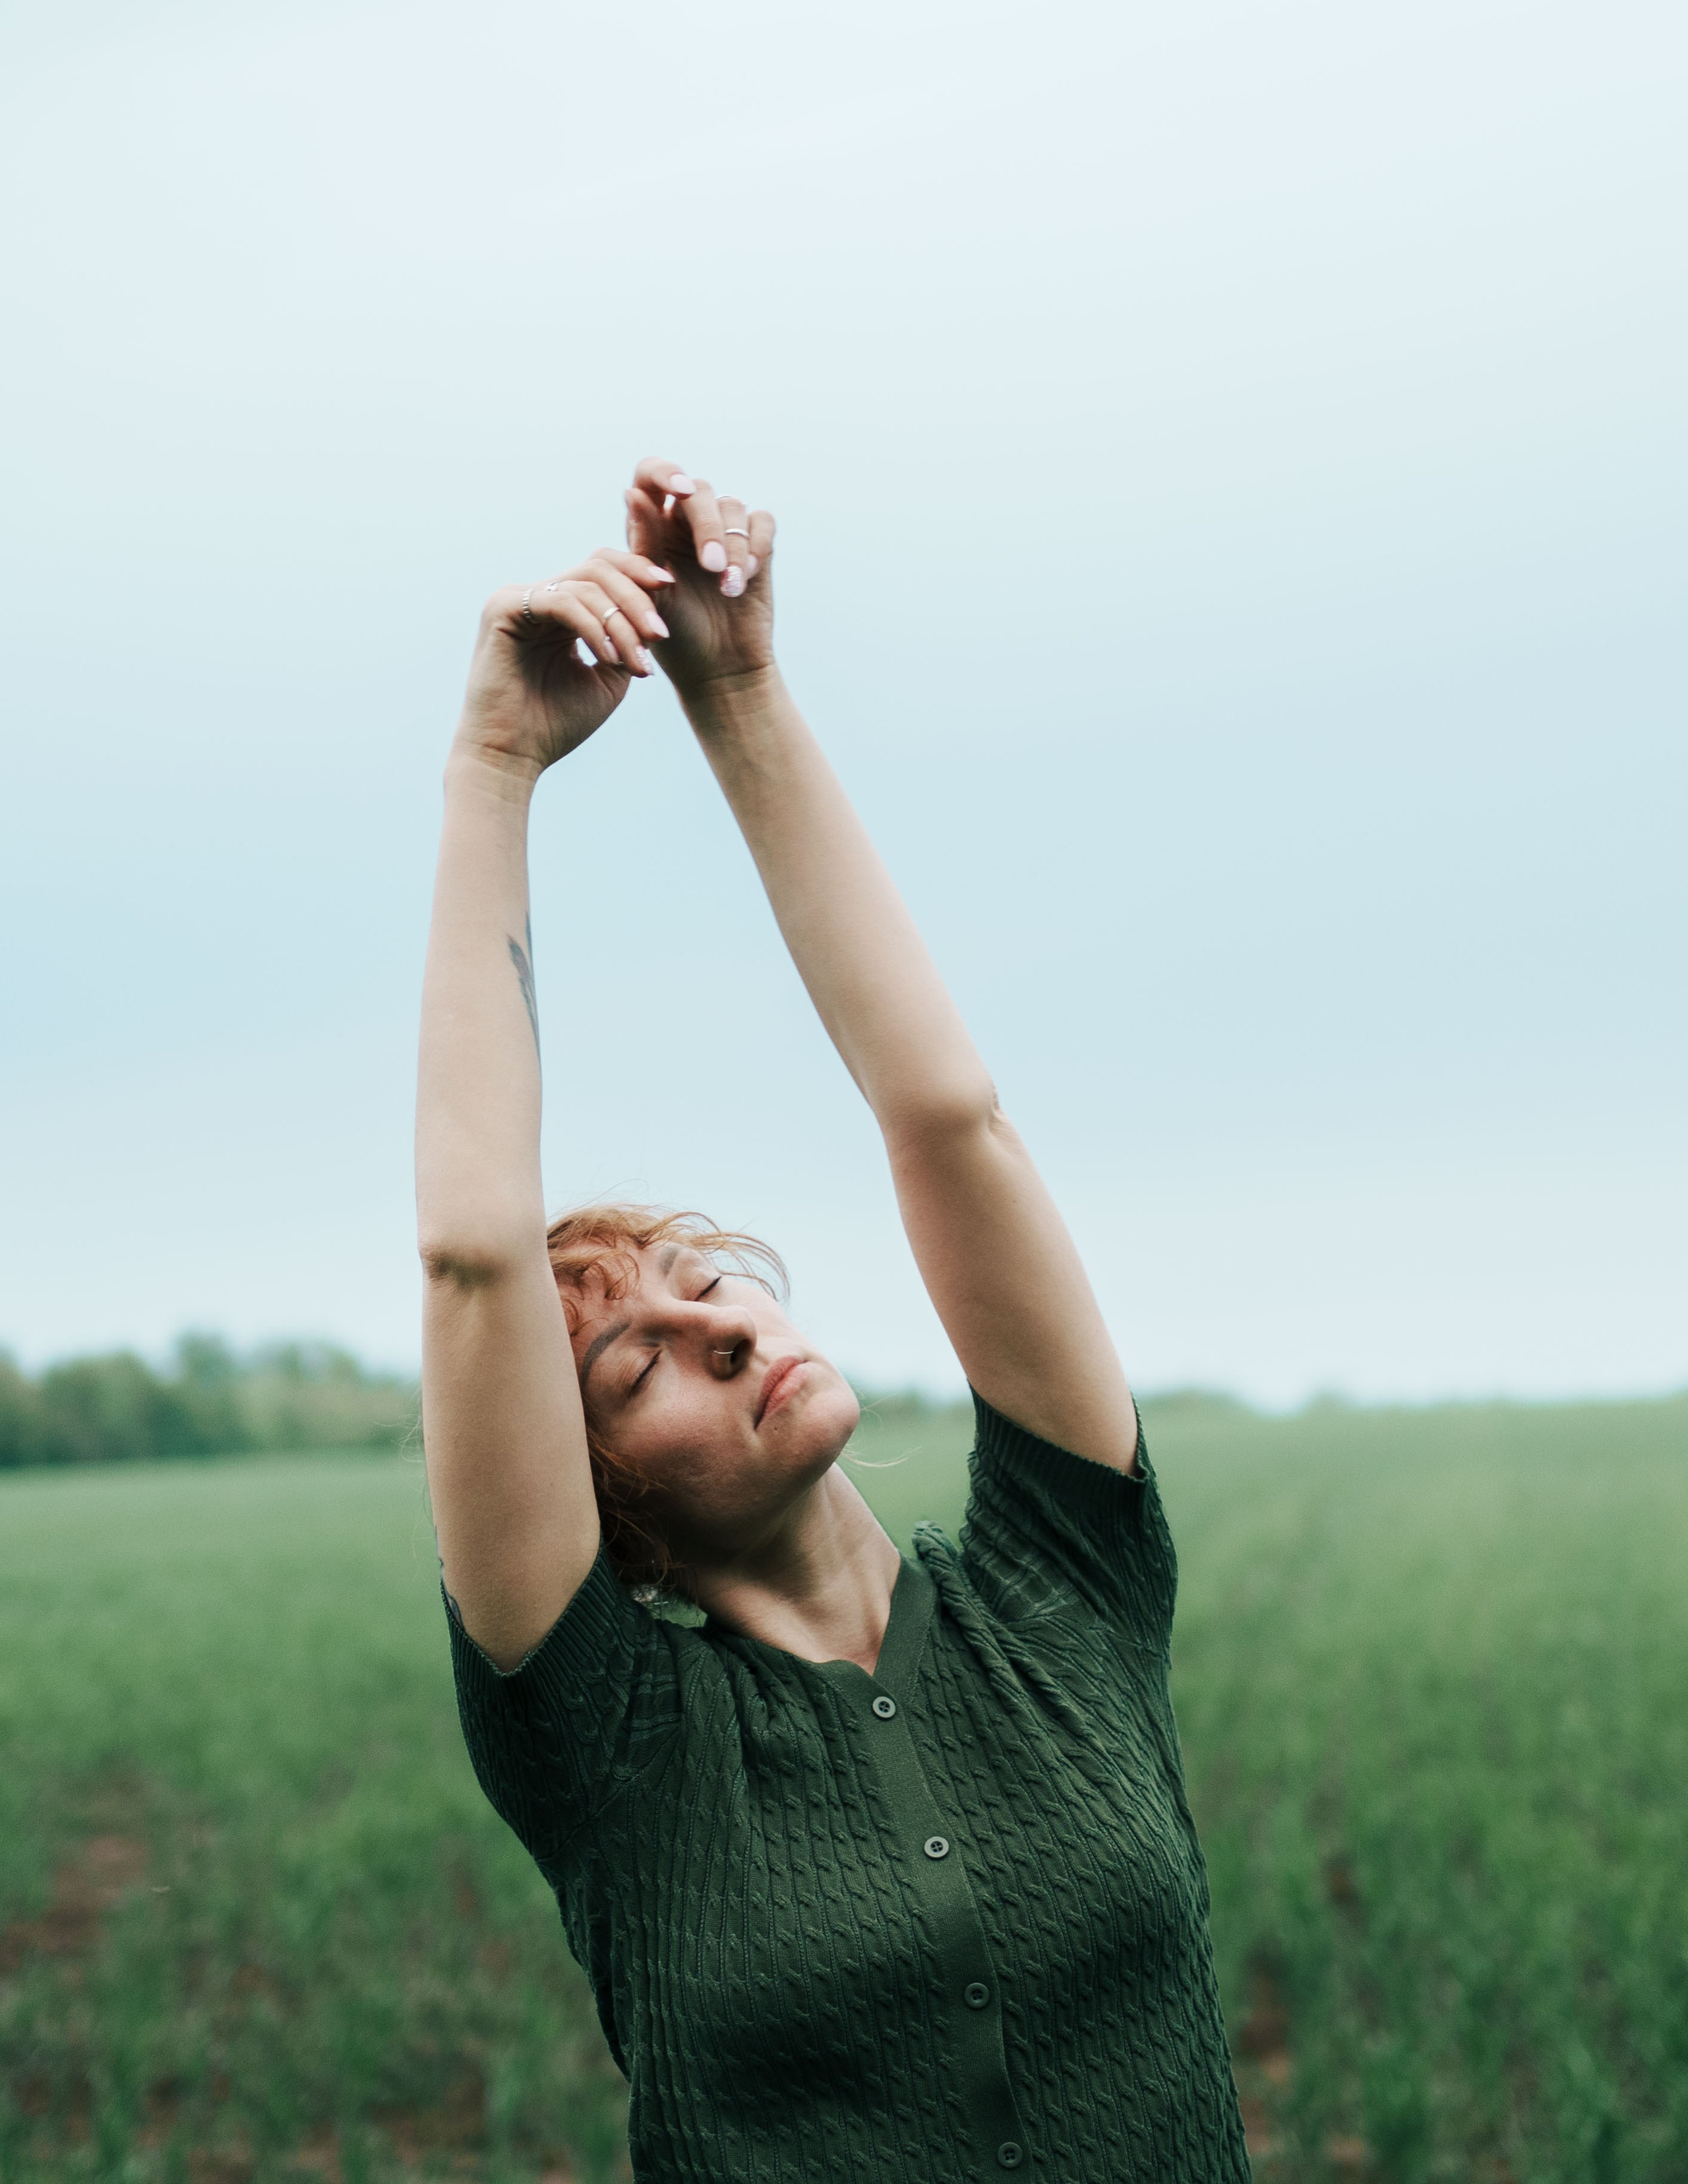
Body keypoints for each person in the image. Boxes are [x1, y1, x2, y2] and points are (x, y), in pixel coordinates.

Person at [416, 458, 1251, 2183]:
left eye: (705, 1279)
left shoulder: (1068, 1590)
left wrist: (741, 693)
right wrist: (497, 767)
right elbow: (477, 1259)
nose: (717, 1329)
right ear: (600, 1507)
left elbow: (949, 1119)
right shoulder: (613, 1749)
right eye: (634, 1361)